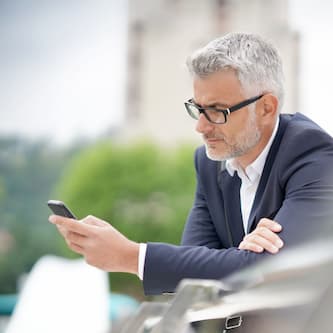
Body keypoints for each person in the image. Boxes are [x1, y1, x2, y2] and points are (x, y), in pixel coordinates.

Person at [49, 32, 333, 296]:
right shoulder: (209, 163)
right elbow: (195, 274)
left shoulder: (314, 156)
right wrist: (243, 258)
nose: (200, 127)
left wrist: (131, 256)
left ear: (266, 108)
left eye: (217, 111)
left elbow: (276, 270)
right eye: (198, 108)